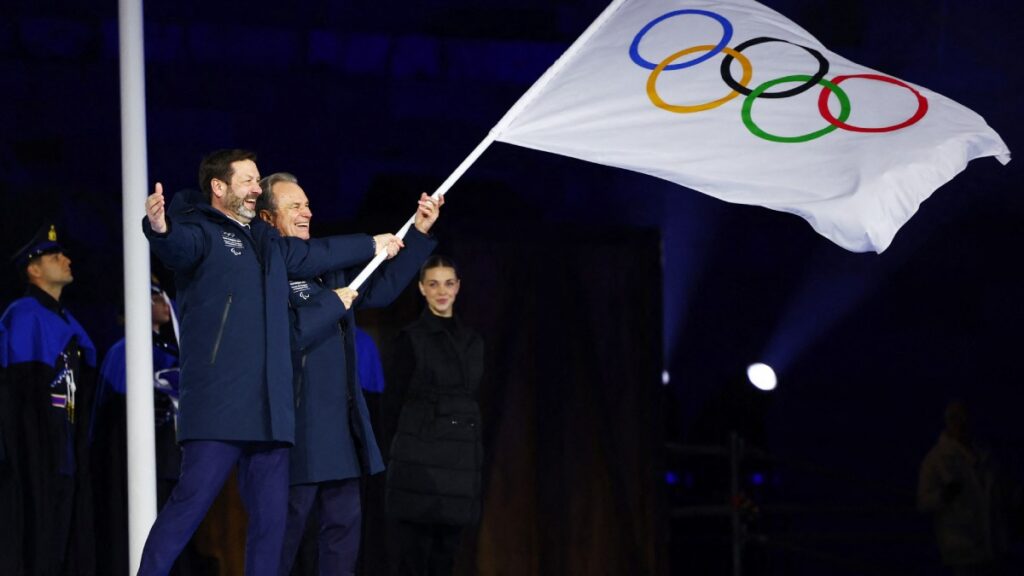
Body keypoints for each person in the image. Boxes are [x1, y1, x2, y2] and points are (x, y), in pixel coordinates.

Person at [139, 149, 401, 576]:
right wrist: (160, 227)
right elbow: (177, 247)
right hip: (219, 411)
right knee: (188, 507)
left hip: (271, 416)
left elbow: (315, 254)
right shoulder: (199, 229)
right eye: (247, 180)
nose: (256, 189)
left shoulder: (268, 243)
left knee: (271, 529)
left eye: (258, 181)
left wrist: (372, 243)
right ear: (219, 188)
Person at [255, 172, 441, 576]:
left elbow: (384, 288)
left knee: (343, 536)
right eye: (294, 206)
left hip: (340, 432)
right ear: (268, 220)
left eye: (307, 205)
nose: (307, 212)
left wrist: (421, 233)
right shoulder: (263, 269)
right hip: (293, 433)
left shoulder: (330, 268)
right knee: (282, 541)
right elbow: (285, 338)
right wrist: (329, 306)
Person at [92, 278, 209, 576]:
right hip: (143, 463)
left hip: (177, 458)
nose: (164, 303)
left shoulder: (176, 352)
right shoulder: (123, 352)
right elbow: (112, 422)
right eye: (155, 298)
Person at [0, 223, 98, 575]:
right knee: (37, 538)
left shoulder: (68, 321)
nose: (66, 260)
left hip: (66, 451)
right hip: (37, 455)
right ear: (34, 268)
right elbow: (18, 395)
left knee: (62, 543)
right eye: (56, 256)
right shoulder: (24, 315)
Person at [384, 255, 485, 576]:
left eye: (448, 283)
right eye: (433, 284)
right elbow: (392, 403)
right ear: (421, 289)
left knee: (446, 557)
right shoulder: (411, 339)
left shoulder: (473, 342)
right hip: (419, 459)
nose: (442, 291)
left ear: (458, 287)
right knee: (415, 558)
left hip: (459, 462)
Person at [918, 401, 1010, 575]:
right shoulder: (936, 459)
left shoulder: (987, 454)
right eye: (954, 418)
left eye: (964, 417)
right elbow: (923, 502)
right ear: (947, 422)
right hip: (962, 551)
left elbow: (1002, 492)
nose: (960, 422)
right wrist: (943, 496)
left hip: (995, 548)